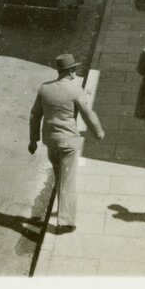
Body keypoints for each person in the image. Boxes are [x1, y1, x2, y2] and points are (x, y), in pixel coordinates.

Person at [28, 54, 105, 234]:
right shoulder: (75, 90)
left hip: (51, 142)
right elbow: (88, 114)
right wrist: (98, 133)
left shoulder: (44, 89)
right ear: (70, 72)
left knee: (59, 177)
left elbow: (35, 116)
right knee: (68, 182)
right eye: (74, 69)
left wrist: (33, 140)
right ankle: (65, 222)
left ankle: (59, 211)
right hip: (68, 142)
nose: (75, 72)